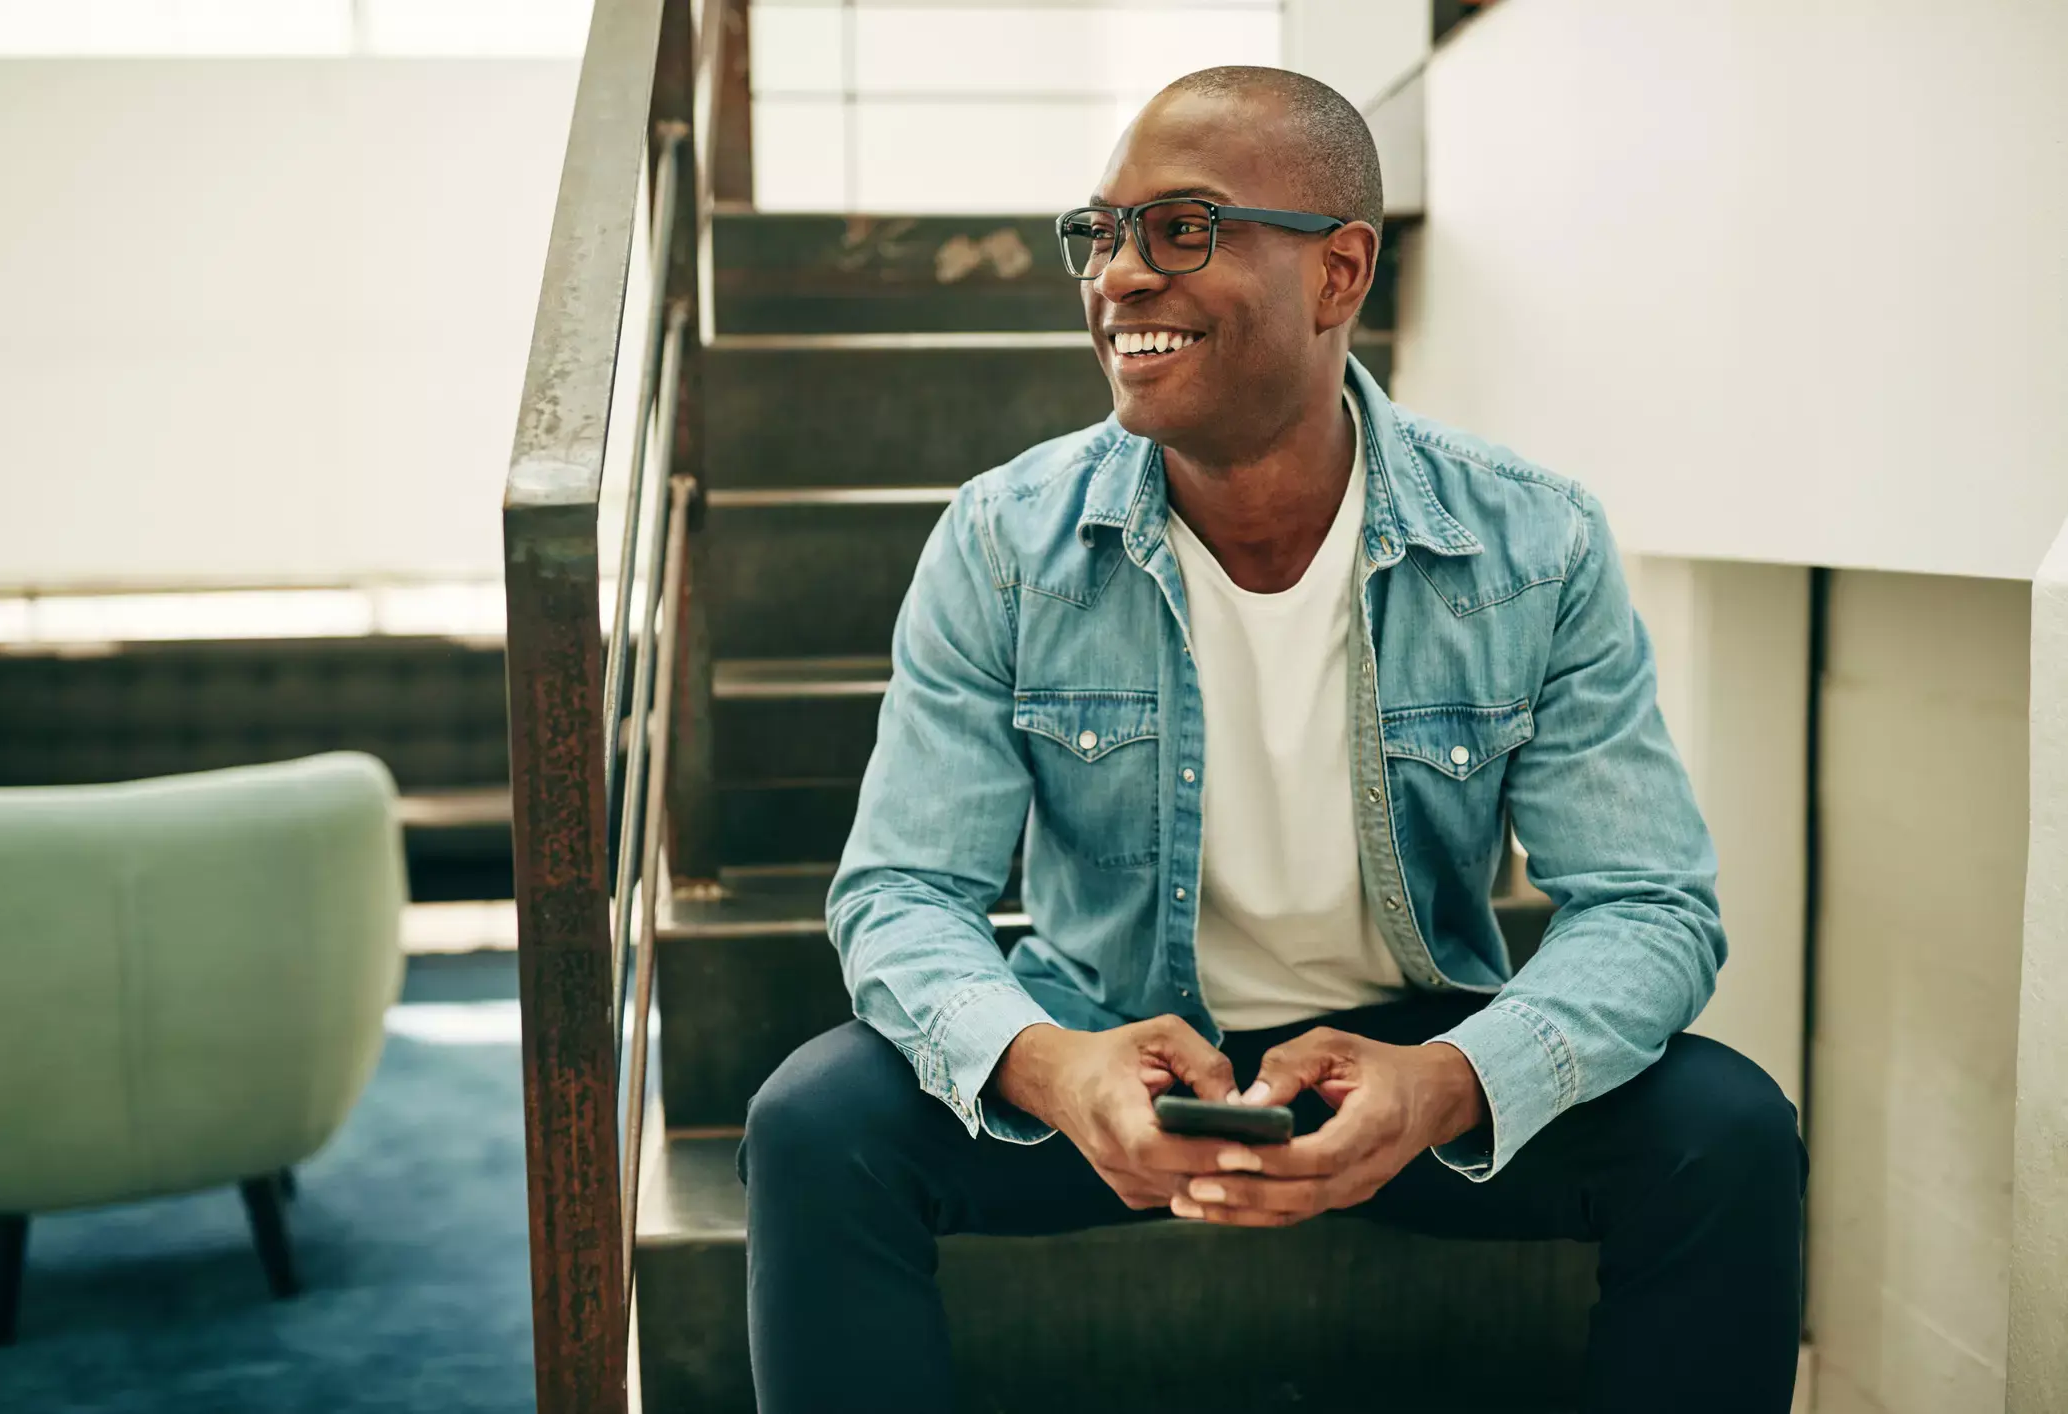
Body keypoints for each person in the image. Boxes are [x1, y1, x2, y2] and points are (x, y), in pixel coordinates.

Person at [740, 65, 1806, 1414]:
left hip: (1415, 1054)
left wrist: (1450, 1081)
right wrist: (1051, 1065)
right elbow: (898, 893)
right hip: (1110, 1040)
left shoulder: (1533, 543)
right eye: (1103, 232)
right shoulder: (1005, 542)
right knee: (812, 1125)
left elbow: (1652, 905)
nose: (1119, 276)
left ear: (1338, 271)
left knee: (1730, 1132)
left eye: (1180, 228)